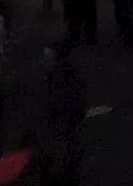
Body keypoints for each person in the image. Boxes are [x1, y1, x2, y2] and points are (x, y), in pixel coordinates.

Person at [37, 43, 86, 185]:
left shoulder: (60, 86)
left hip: (59, 145)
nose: (42, 62)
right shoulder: (65, 80)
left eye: (46, 58)